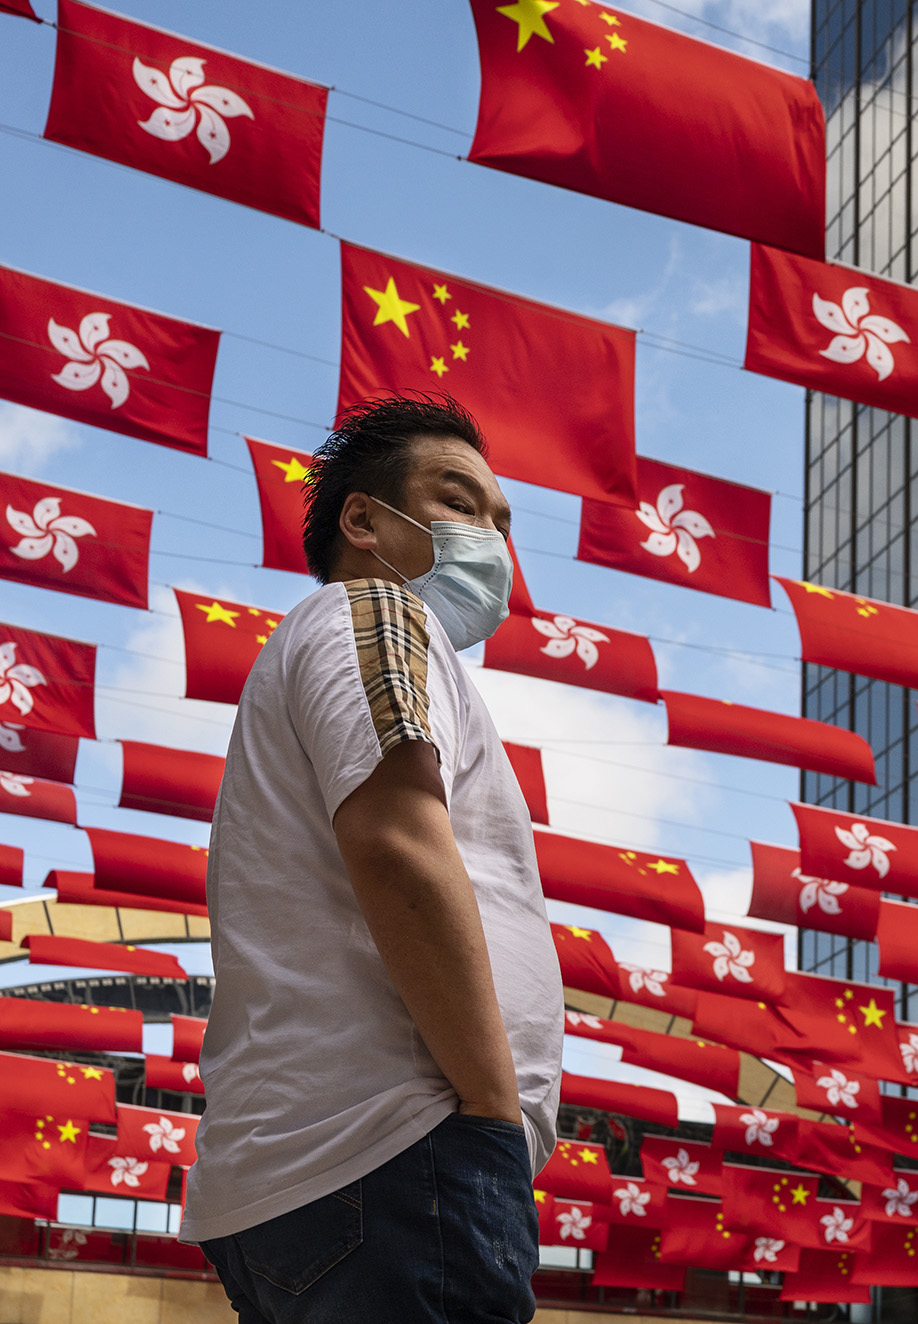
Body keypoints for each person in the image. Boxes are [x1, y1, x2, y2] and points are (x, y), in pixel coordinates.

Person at [182, 395, 562, 1323]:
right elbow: (397, 845)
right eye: (461, 503)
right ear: (364, 519)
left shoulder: (338, 638)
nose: (493, 542)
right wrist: (488, 1109)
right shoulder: (378, 609)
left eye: (504, 524)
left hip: (347, 1172)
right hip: (398, 1152)